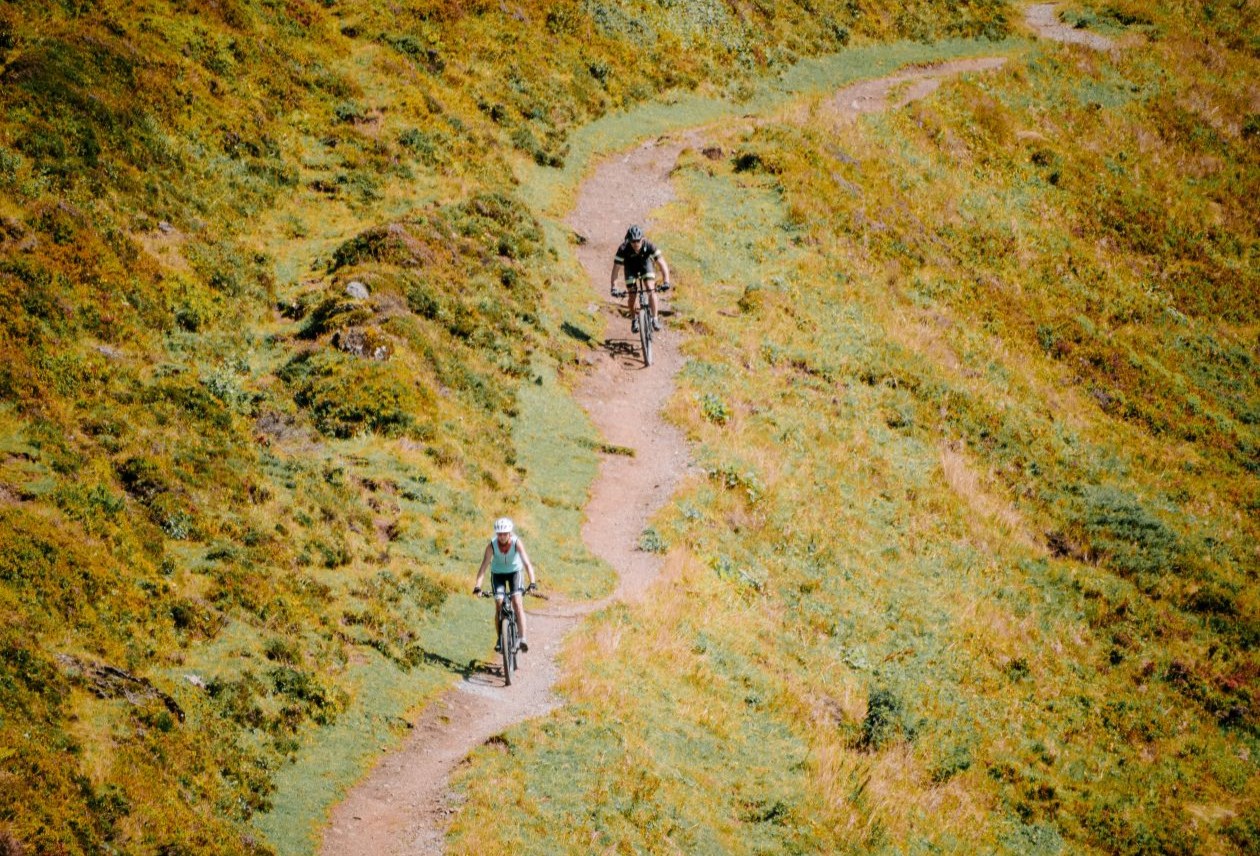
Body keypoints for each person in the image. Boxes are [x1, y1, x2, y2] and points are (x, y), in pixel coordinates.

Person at [472, 517, 537, 653]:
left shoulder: (516, 543)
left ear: (510, 533)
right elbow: (483, 566)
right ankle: (500, 637)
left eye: (504, 533)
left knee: (517, 602)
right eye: (499, 534)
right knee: (499, 603)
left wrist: (532, 583)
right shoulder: (492, 545)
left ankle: (523, 638)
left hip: (515, 572)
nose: (501, 537)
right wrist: (478, 586)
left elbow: (527, 564)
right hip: (498, 574)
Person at [609, 224, 672, 334]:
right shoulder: (623, 248)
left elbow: (662, 263)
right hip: (630, 268)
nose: (636, 243)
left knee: (650, 288)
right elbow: (615, 270)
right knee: (632, 294)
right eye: (633, 241)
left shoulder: (649, 245)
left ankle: (655, 319)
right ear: (628, 240)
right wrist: (614, 287)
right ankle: (634, 319)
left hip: (645, 265)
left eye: (638, 241)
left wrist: (666, 280)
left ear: (642, 239)